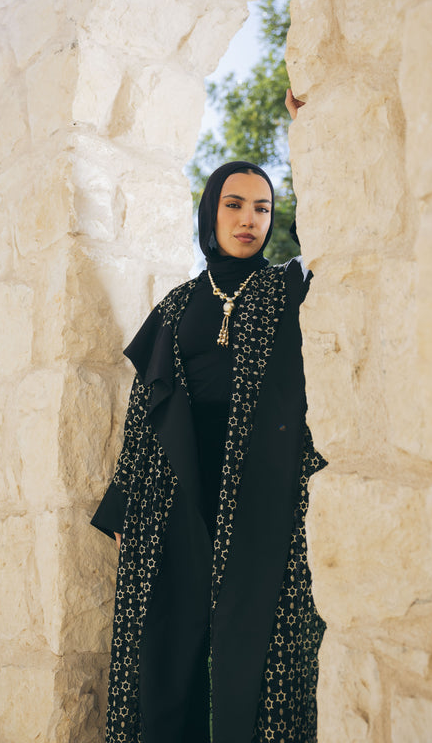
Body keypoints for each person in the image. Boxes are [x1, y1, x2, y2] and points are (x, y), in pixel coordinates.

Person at [91, 93, 326, 743]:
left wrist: (309, 130)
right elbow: (147, 410)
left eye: (262, 208)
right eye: (234, 204)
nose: (249, 219)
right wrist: (125, 506)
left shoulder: (285, 289)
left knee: (261, 644)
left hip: (262, 488)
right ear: (210, 211)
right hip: (177, 492)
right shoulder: (177, 305)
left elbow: (336, 237)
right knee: (170, 641)